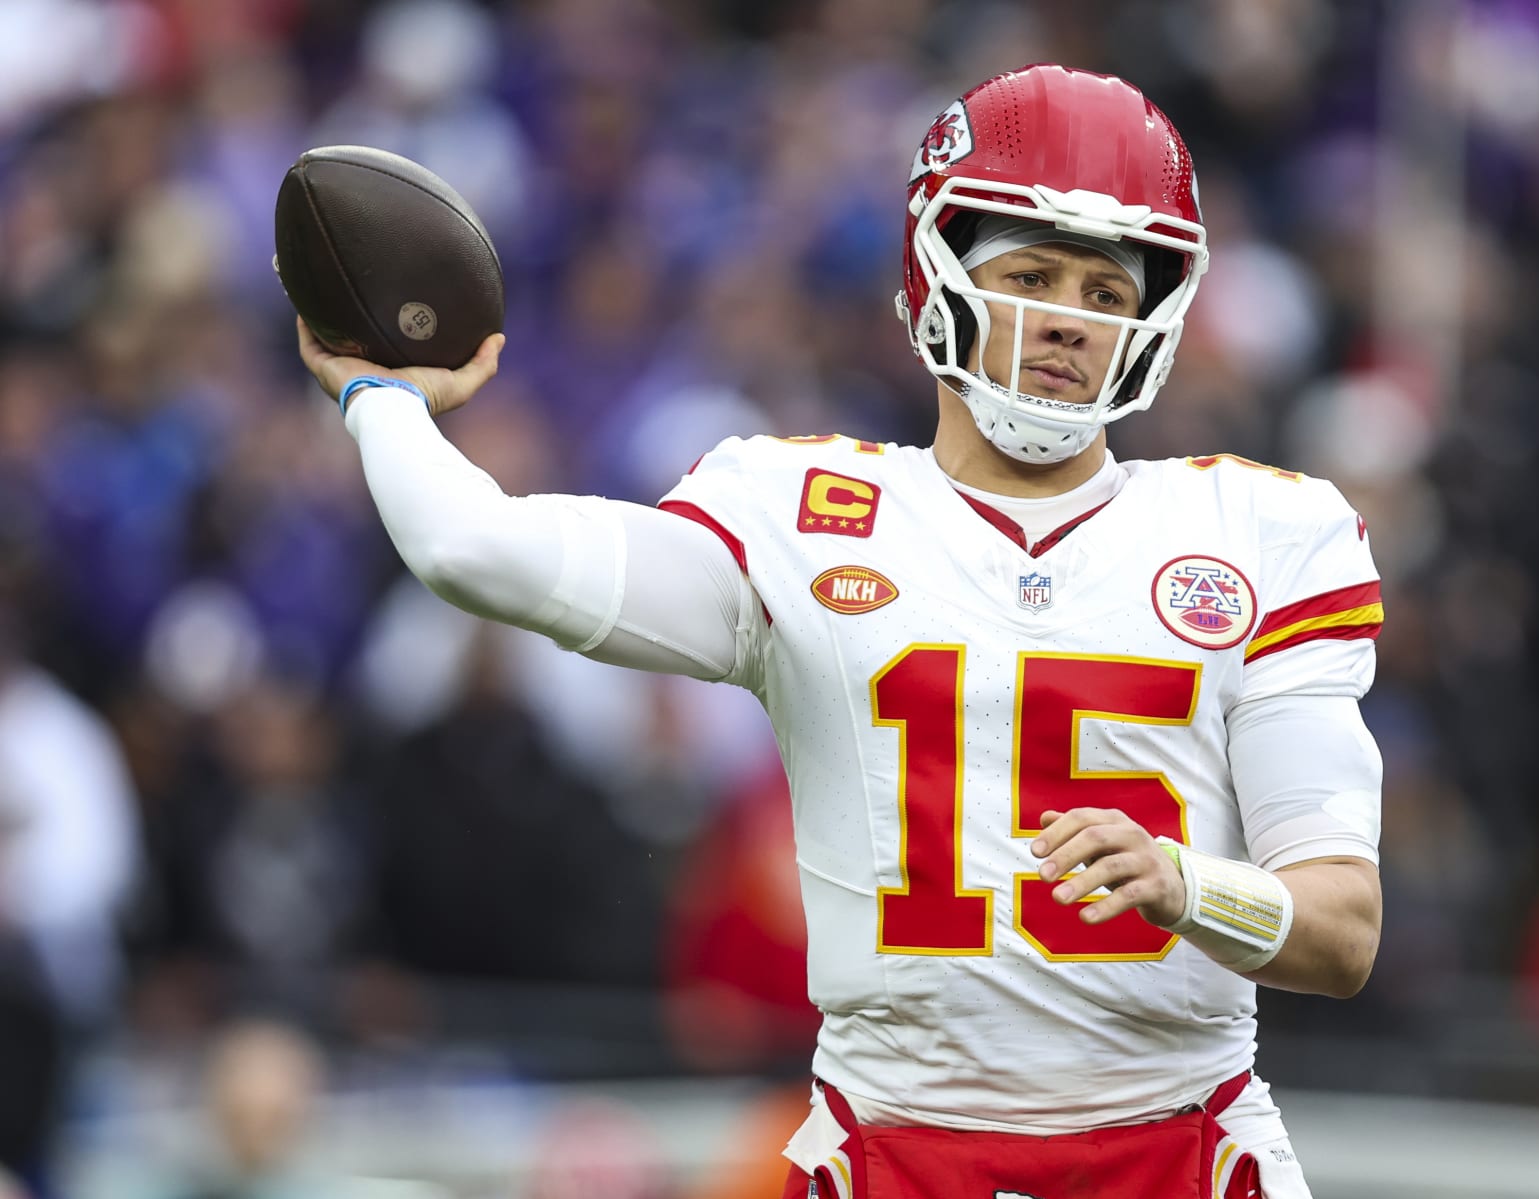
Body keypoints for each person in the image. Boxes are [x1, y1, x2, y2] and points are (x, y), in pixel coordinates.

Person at [299, 64, 1384, 1199]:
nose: (1069, 320)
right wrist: (381, 398)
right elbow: (475, 550)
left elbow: (1341, 927)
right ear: (938, 278)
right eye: (1033, 274)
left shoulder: (1262, 532)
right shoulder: (803, 513)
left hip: (1178, 1143)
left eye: (1107, 291)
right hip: (895, 1146)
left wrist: (1185, 882)